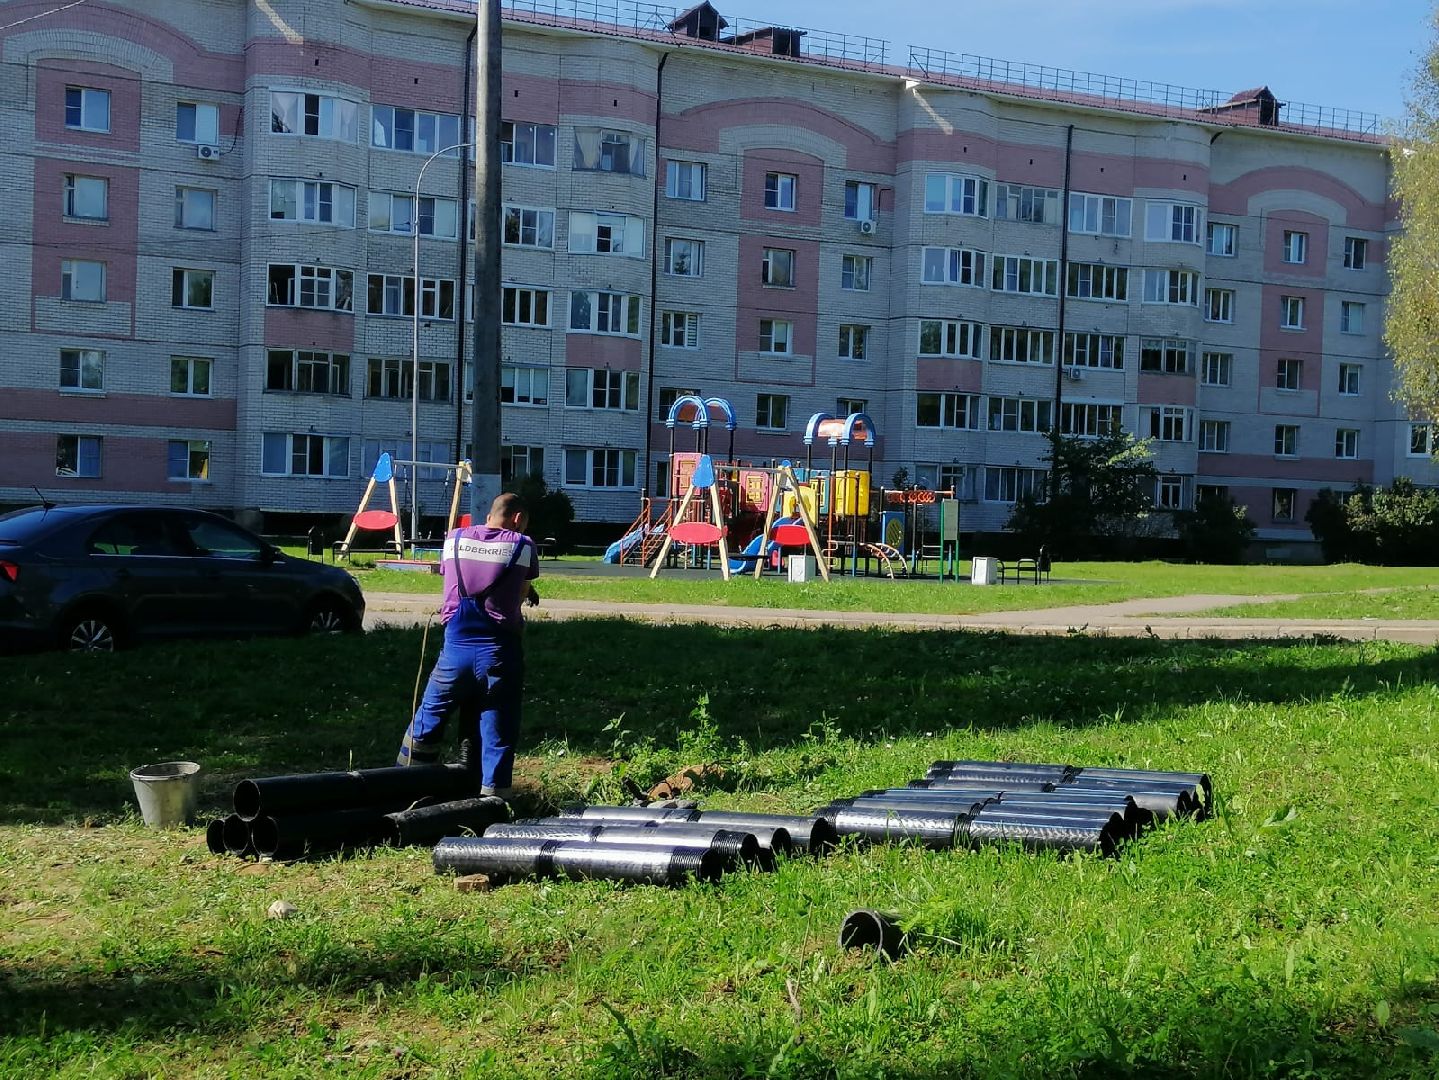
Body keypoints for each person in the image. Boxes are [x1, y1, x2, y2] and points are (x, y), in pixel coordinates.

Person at [397, 492, 540, 797]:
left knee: (426, 721)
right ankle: (493, 802)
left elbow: (457, 580)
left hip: (453, 652)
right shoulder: (522, 545)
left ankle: (402, 787)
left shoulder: (454, 539)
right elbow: (519, 592)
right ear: (517, 519)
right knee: (498, 730)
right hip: (498, 654)